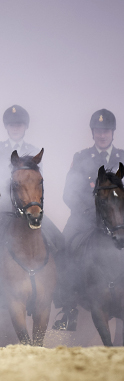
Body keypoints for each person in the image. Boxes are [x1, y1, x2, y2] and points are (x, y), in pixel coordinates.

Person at [54, 108, 122, 330]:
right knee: (63, 247)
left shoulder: (123, 157)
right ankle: (68, 308)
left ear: (113, 132)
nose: (102, 135)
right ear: (92, 133)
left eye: (106, 131)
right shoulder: (81, 157)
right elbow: (69, 193)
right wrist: (92, 214)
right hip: (85, 220)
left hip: (119, 219)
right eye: (98, 131)